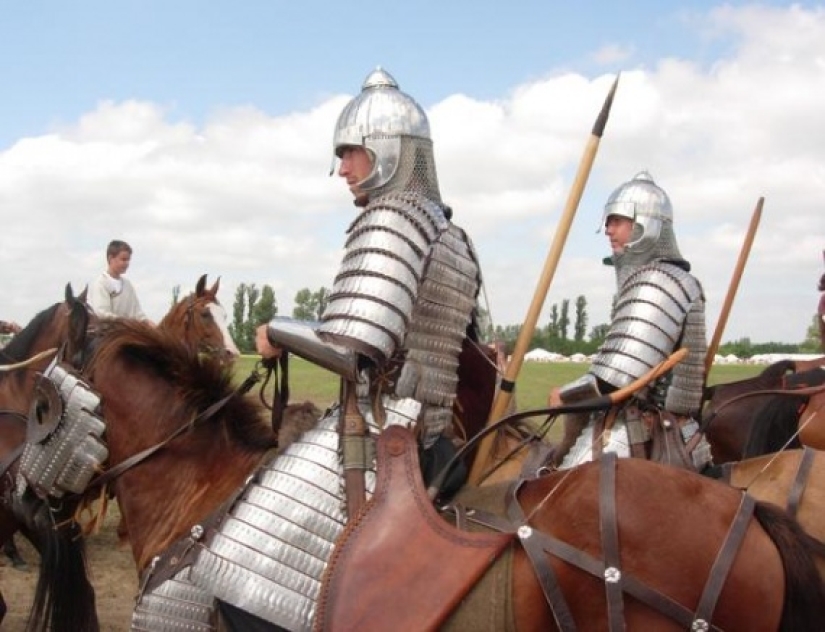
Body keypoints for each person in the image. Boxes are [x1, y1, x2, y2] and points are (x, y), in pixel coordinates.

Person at [187, 67, 485, 631]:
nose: (342, 169)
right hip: (436, 440)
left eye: (351, 153)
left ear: (390, 152)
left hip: (380, 438)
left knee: (238, 568)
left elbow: (355, 352)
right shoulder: (455, 237)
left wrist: (276, 331)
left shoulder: (393, 218)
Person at [547, 170, 711, 472]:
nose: (608, 230)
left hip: (645, 432)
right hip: (670, 429)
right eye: (608, 221)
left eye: (617, 221)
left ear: (645, 226)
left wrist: (565, 396)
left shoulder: (657, 282)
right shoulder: (676, 280)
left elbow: (617, 379)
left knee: (561, 490)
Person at [89, 240, 152, 323]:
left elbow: (138, 314)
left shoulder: (127, 285)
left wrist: (149, 324)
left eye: (128, 260)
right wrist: (125, 322)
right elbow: (102, 314)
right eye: (123, 259)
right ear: (111, 258)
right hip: (108, 333)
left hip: (129, 331)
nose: (127, 263)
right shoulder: (101, 283)